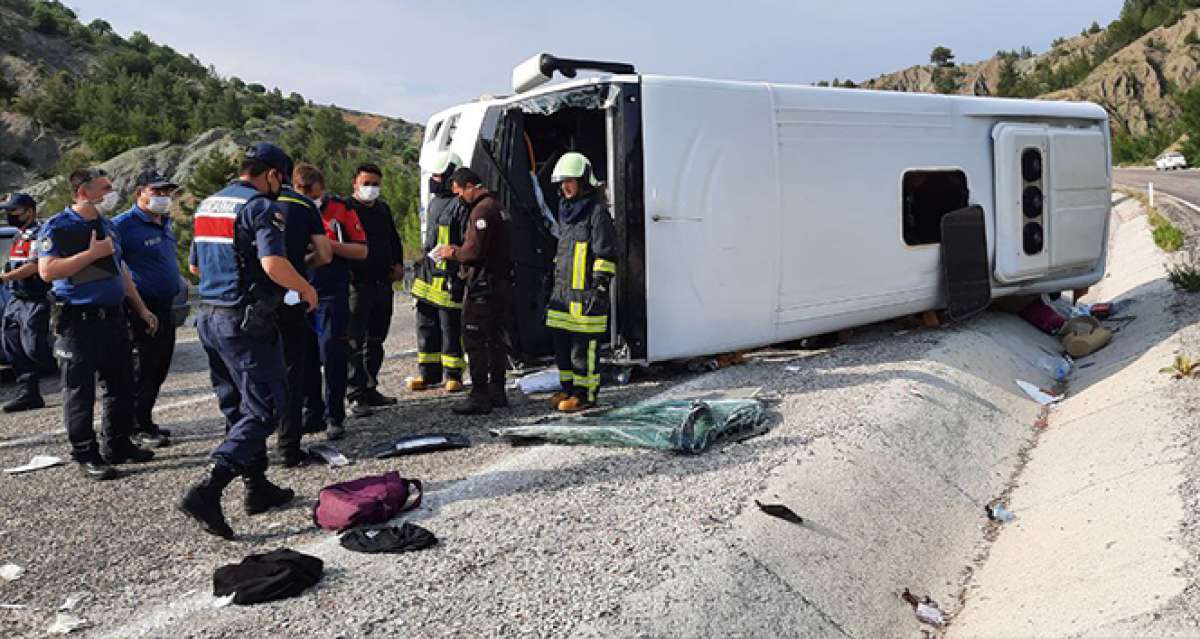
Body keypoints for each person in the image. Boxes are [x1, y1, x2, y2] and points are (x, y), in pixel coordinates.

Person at [179, 143, 317, 539]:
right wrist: (305, 287)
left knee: (236, 407)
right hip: (244, 321)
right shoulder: (258, 207)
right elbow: (273, 264)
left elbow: (192, 264)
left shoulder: (209, 205)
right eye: (282, 180)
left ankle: (257, 487)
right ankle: (209, 486)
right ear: (271, 174)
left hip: (208, 316)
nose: (282, 188)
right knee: (266, 406)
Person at [37, 168, 159, 480]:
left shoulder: (107, 225)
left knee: (121, 386)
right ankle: (85, 453)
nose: (111, 193)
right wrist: (91, 254)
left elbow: (122, 272)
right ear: (83, 192)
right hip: (78, 322)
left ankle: (117, 445)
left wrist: (141, 309)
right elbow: (48, 271)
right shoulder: (59, 226)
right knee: (80, 392)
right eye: (104, 188)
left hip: (113, 317)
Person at [293, 163, 367, 445]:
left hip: (331, 292)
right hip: (299, 290)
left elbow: (361, 249)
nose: (306, 196)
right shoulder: (289, 207)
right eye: (301, 191)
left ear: (321, 188)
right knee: (304, 356)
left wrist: (325, 245)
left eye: (310, 191)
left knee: (332, 353)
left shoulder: (340, 209)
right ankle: (312, 411)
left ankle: (335, 415)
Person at [434, 168, 513, 415]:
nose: (458, 198)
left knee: (475, 338)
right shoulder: (497, 206)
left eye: (459, 192)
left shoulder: (482, 211)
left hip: (483, 286)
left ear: (469, 186)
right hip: (499, 283)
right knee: (496, 339)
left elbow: (474, 252)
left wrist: (452, 252)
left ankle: (480, 395)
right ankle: (497, 390)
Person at [113, 169, 182, 448]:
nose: (163, 197)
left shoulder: (164, 221)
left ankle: (144, 419)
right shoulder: (124, 225)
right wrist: (140, 309)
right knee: (142, 368)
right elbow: (116, 268)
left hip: (166, 306)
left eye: (166, 192)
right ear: (140, 192)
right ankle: (133, 426)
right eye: (157, 192)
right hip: (140, 308)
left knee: (159, 367)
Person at [544, 152, 617, 412]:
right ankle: (568, 390)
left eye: (570, 181)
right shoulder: (566, 213)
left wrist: (599, 288)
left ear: (584, 182)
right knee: (562, 349)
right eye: (562, 182)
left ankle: (586, 395)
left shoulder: (597, 214)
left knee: (583, 352)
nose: (565, 187)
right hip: (563, 297)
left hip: (586, 297)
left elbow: (605, 255)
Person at [272, 165, 331, 464]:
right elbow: (324, 254)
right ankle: (289, 446)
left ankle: (247, 442)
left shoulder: (250, 203)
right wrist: (301, 270)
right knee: (295, 368)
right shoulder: (303, 206)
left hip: (256, 298)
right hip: (292, 294)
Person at [346, 163, 404, 415]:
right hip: (357, 286)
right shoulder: (346, 209)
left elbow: (393, 239)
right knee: (353, 342)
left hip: (382, 283)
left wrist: (398, 264)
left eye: (375, 184)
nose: (371, 188)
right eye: (366, 183)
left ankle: (370, 388)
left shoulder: (382, 209)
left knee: (376, 340)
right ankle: (355, 393)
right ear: (355, 184)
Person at [408, 151, 468, 393]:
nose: (434, 180)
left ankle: (453, 374)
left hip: (448, 277)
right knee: (426, 325)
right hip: (427, 276)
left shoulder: (461, 205)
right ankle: (428, 374)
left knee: (450, 328)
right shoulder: (434, 203)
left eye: (439, 175)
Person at [0, 193, 54, 412]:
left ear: (29, 211)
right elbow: (14, 263)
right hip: (16, 298)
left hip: (35, 297)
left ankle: (73, 372)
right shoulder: (18, 236)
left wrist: (5, 278)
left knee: (34, 346)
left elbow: (34, 265)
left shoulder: (41, 234)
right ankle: (29, 393)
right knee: (12, 344)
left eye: (13, 211)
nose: (9, 215)